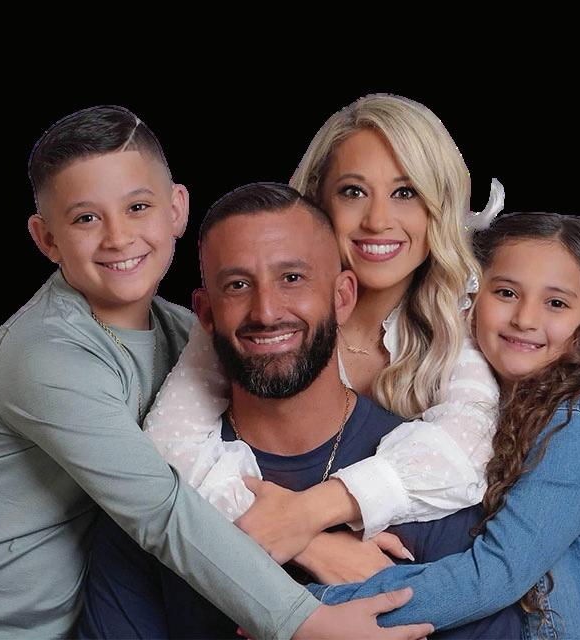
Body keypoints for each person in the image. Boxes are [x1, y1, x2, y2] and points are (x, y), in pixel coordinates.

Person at [0, 106, 429, 640]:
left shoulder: (182, 331)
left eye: (137, 207)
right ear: (47, 239)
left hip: (75, 613)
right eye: (85, 219)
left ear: (176, 209)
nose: (117, 237)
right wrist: (306, 597)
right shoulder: (45, 358)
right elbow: (160, 509)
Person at [78, 182, 521, 639]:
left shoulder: (429, 487)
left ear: (342, 297)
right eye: (237, 285)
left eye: (292, 278)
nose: (267, 311)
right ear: (206, 314)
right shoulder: (153, 496)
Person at [145, 94, 505, 567]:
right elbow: (167, 448)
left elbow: (471, 445)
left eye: (405, 193)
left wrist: (312, 512)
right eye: (353, 192)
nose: (378, 221)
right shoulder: (263, 318)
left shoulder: (461, 319)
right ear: (318, 200)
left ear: (439, 207)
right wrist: (308, 542)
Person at [305, 212, 580, 639]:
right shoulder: (475, 406)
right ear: (471, 300)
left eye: (556, 303)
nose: (525, 318)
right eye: (506, 293)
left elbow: (490, 577)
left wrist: (305, 607)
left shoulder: (574, 434)